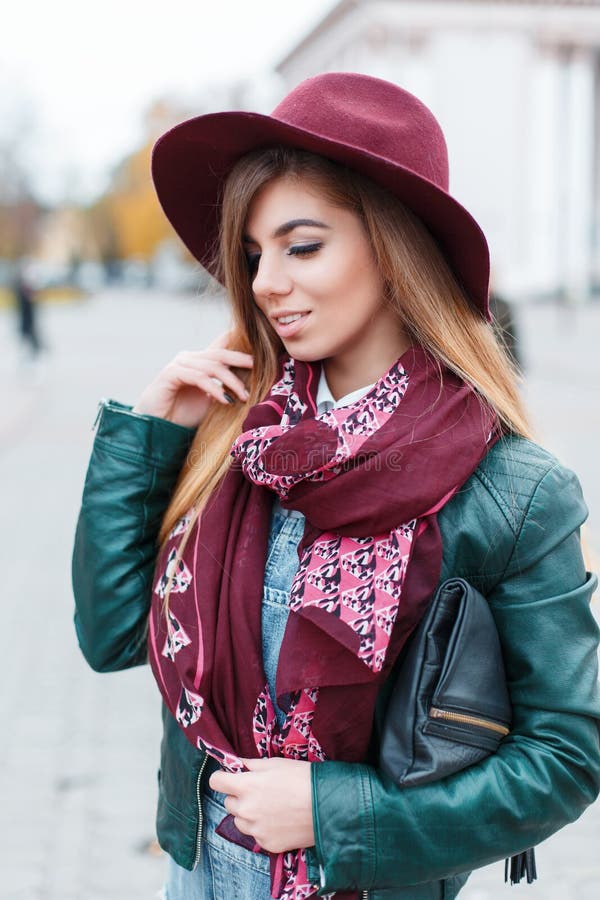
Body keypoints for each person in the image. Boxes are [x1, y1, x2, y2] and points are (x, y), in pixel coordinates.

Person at [72, 73, 600, 900]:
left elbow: (564, 758)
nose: (264, 283)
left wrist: (334, 811)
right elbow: (109, 637)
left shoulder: (512, 490)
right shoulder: (237, 440)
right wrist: (147, 437)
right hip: (199, 876)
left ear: (394, 246)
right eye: (252, 255)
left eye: (302, 245)